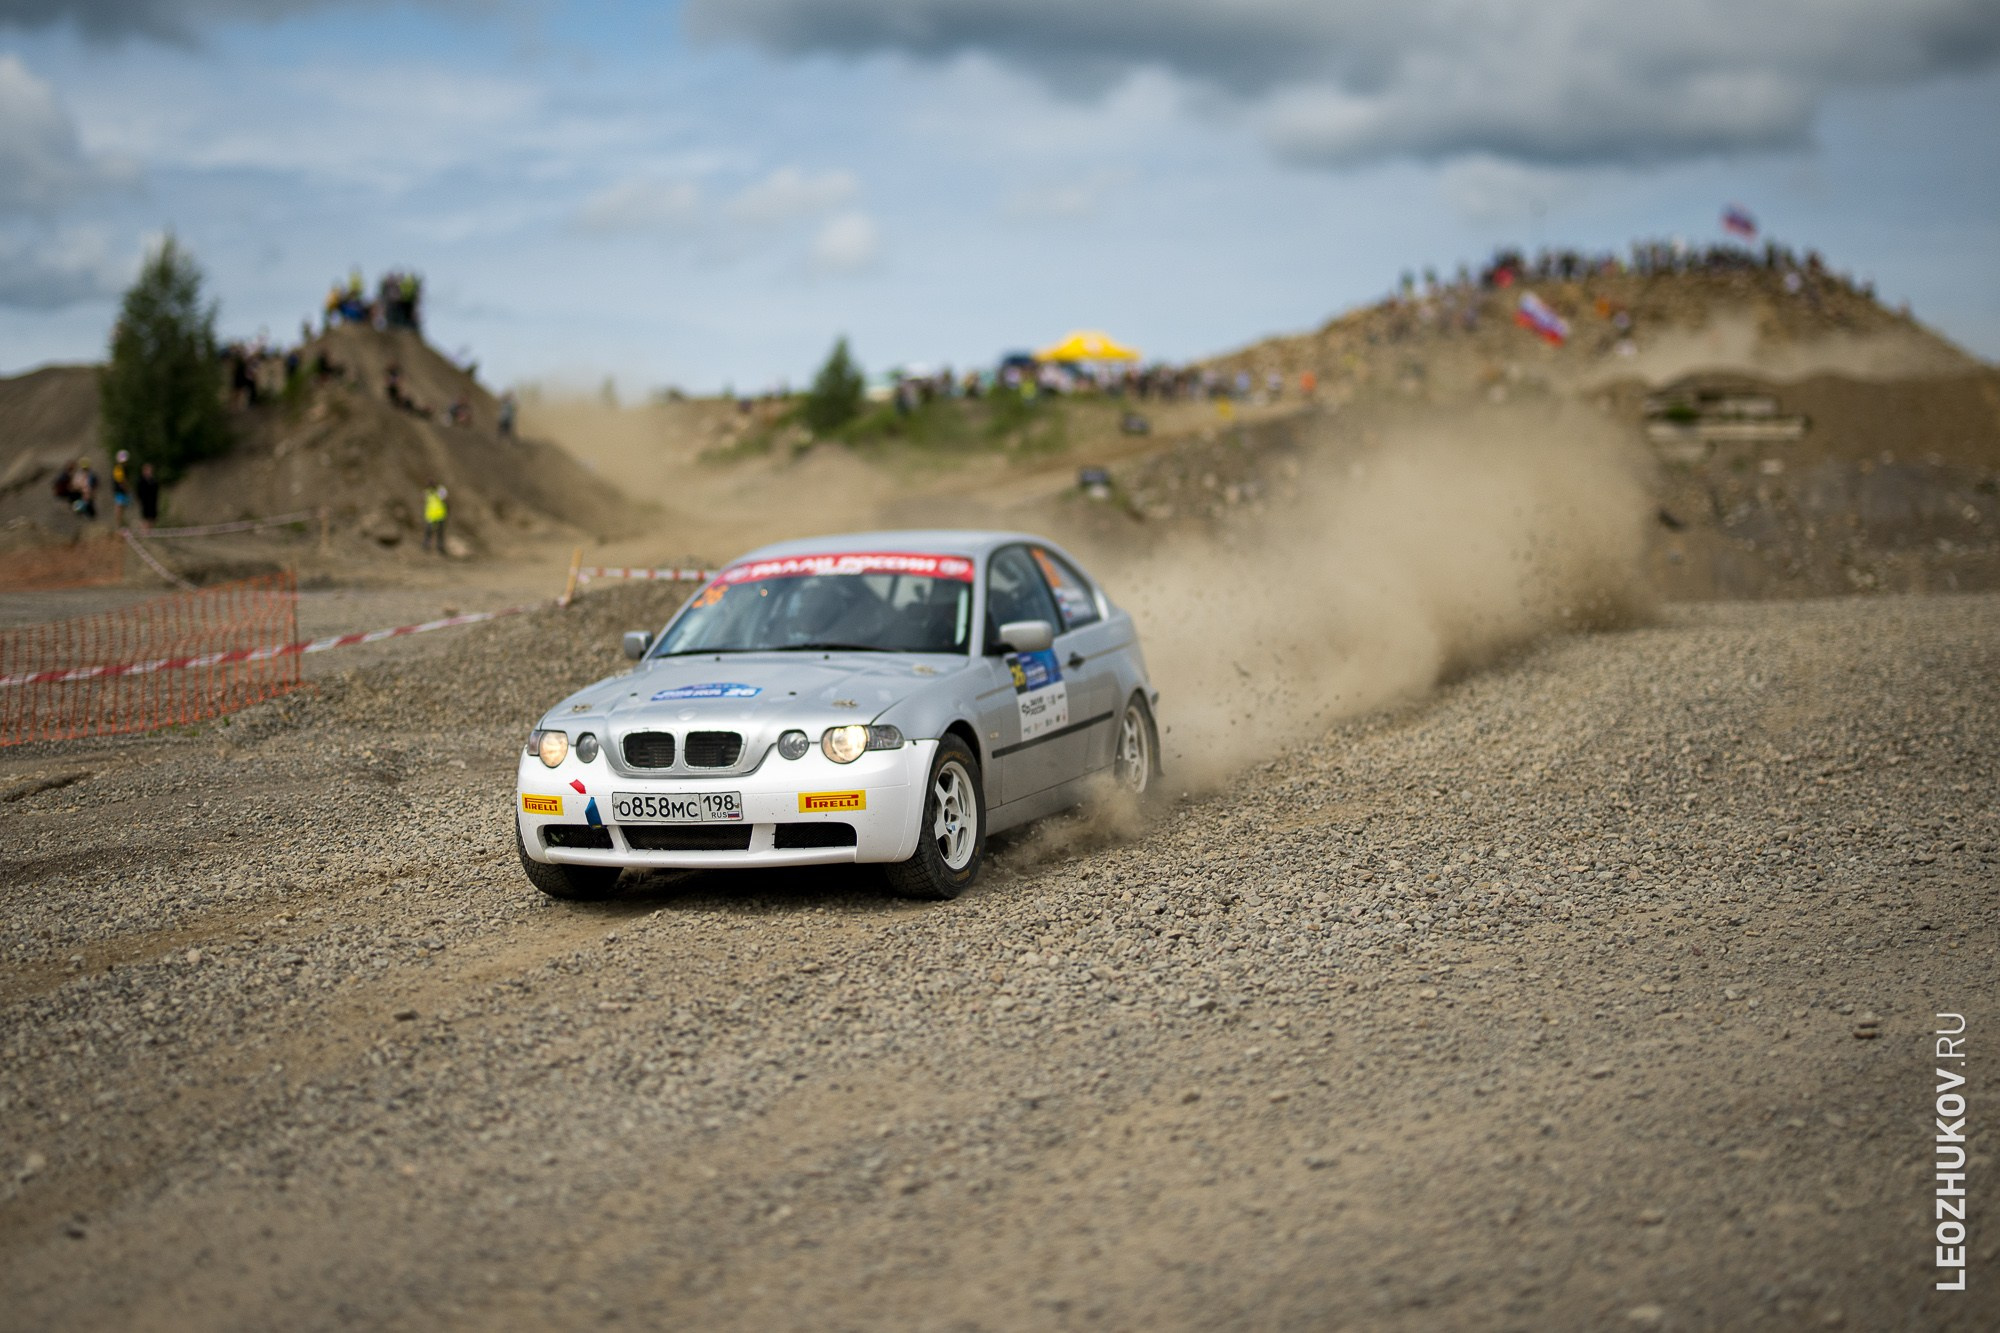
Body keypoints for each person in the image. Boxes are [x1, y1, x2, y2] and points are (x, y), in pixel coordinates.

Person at [422, 483, 448, 554]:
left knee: (440, 533)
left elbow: (444, 496)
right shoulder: (429, 493)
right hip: (431, 516)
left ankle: (440, 547)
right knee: (429, 532)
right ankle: (426, 546)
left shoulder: (440, 491)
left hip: (440, 516)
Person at [136, 462, 161, 531]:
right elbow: (139, 492)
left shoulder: (153, 481)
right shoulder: (141, 481)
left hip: (153, 502)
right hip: (145, 502)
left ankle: (150, 532)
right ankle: (144, 532)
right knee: (145, 518)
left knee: (153, 518)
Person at [111, 450, 132, 527]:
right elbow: (121, 481)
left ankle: (122, 524)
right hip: (120, 491)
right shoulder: (118, 468)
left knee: (122, 508)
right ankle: (119, 525)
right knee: (119, 507)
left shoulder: (123, 468)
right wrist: (127, 489)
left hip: (122, 491)